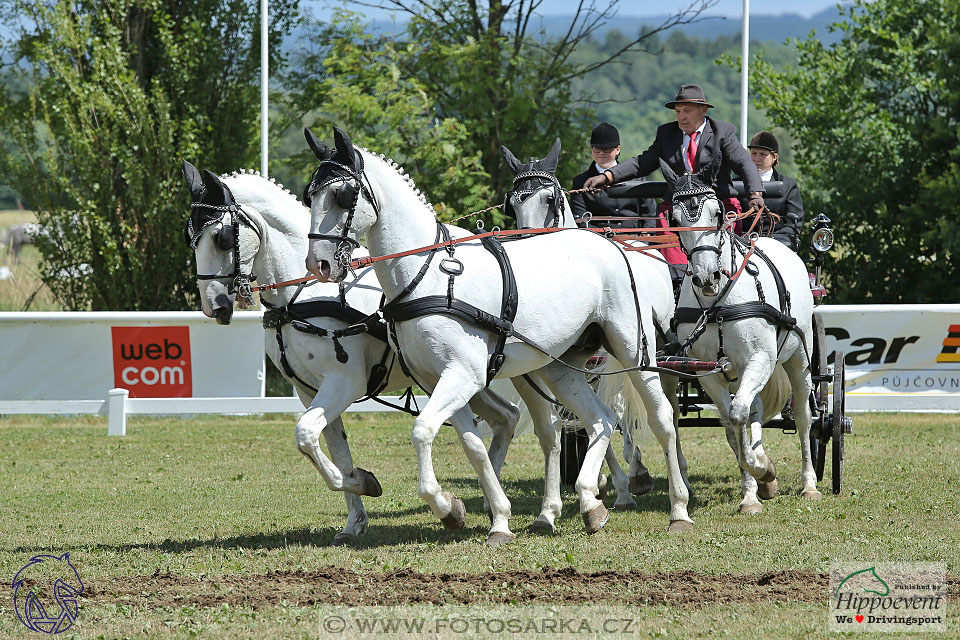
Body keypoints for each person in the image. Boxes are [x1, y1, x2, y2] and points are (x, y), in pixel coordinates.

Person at [584, 84, 764, 281]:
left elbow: (744, 163)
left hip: (716, 206)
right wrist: (607, 176)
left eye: (687, 111)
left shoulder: (723, 132)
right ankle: (677, 293)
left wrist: (755, 194)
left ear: (703, 110)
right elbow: (642, 162)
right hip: (678, 209)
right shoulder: (666, 134)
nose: (681, 117)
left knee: (726, 261)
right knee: (676, 268)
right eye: (678, 112)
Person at [570, 122, 657, 228]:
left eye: (606, 149)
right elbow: (581, 220)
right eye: (597, 148)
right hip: (599, 240)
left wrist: (646, 233)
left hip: (636, 240)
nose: (601, 153)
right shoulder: (581, 181)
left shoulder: (638, 179)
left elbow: (650, 214)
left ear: (618, 149)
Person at [740, 131, 804, 252]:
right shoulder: (737, 183)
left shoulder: (788, 185)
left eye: (762, 154)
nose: (757, 159)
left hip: (777, 246)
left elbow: (793, 222)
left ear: (774, 157)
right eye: (754, 153)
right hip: (742, 244)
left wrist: (771, 241)